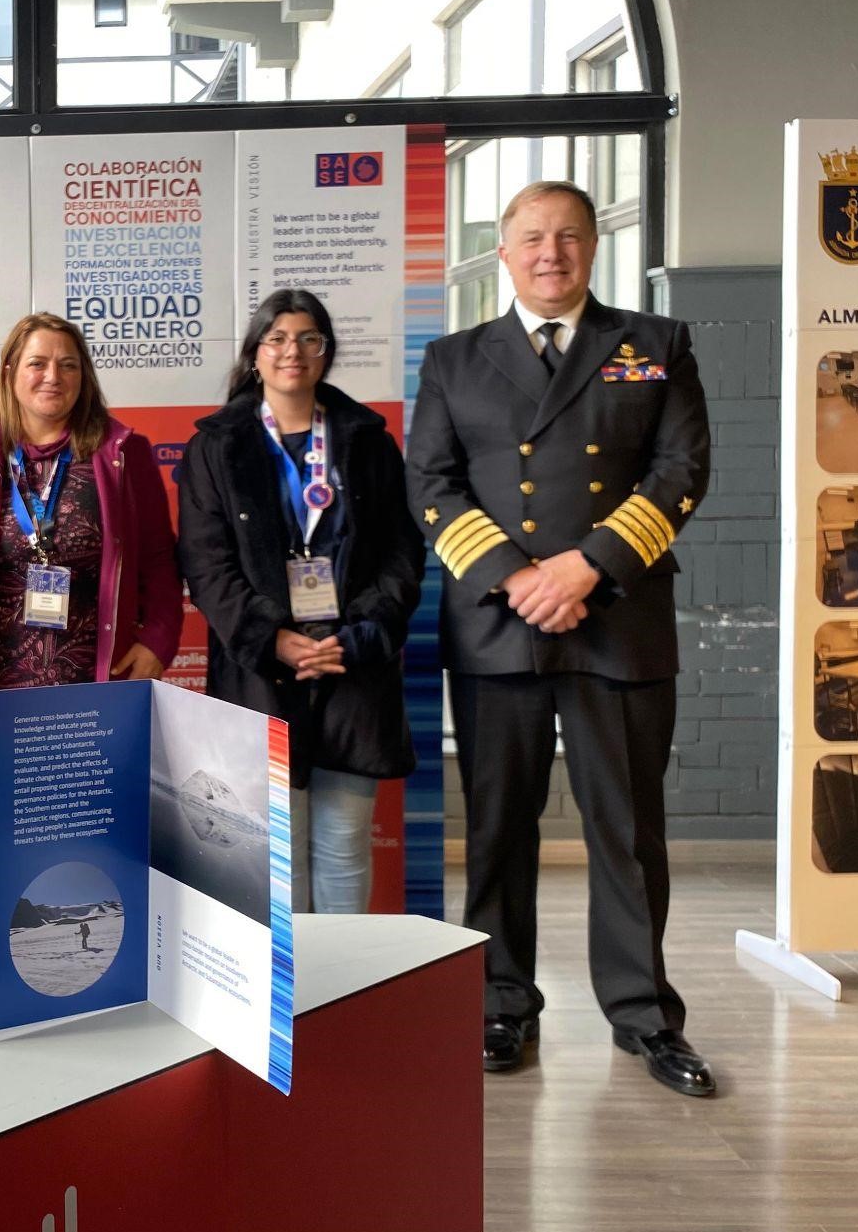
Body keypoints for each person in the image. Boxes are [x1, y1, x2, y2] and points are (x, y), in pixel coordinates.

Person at [405, 180, 714, 1097]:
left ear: (592, 246)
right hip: (501, 623)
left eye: (570, 237)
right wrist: (519, 576)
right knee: (498, 828)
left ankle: (644, 1016)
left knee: (625, 830)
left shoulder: (654, 345)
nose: (552, 253)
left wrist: (587, 568)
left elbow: (683, 469)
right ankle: (499, 1003)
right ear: (502, 252)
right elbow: (432, 479)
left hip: (615, 618)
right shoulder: (456, 358)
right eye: (533, 238)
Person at [175, 289, 424, 915]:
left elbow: (402, 551)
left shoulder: (368, 440)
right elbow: (206, 564)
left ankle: (338, 1002)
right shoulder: (217, 444)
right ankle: (290, 1001)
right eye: (278, 339)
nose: (293, 352)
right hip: (261, 673)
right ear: (256, 354)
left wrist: (359, 635)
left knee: (343, 846)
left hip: (353, 667)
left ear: (326, 352)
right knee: (276, 851)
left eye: (308, 339)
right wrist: (273, 639)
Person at [0, 313, 182, 691]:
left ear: (84, 377)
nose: (53, 376)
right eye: (37, 364)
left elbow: (159, 559)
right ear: (10, 372)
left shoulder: (126, 455)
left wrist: (157, 642)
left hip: (99, 686)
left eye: (68, 365)